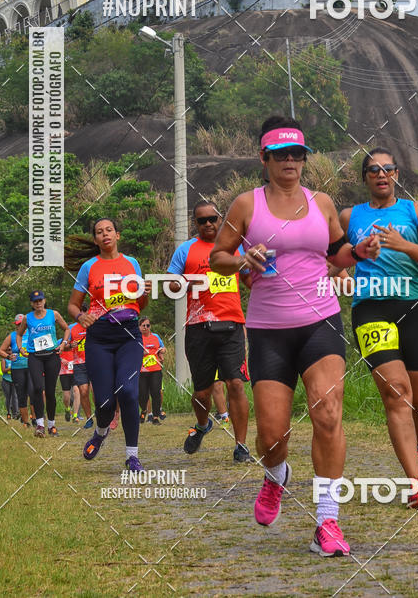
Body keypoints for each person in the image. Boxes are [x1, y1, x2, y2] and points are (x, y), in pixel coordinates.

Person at [211, 116, 380, 557]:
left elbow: (337, 252)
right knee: (271, 437)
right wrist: (242, 259)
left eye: (297, 155)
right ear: (264, 158)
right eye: (281, 155)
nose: (290, 162)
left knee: (328, 412)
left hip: (320, 320)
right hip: (269, 330)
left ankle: (327, 520)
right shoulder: (246, 205)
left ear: (305, 159)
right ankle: (276, 476)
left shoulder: (321, 202)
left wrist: (358, 252)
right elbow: (217, 257)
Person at [339, 148, 418, 509]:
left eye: (387, 169)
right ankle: (415, 484)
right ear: (365, 177)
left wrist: (405, 245)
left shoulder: (415, 210)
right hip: (370, 309)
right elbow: (331, 259)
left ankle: (413, 445)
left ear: (396, 174)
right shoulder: (350, 216)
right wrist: (346, 269)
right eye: (373, 170)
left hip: (414, 307)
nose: (381, 174)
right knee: (397, 392)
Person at [167, 201, 251, 462]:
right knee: (202, 392)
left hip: (232, 325)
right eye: (201, 220)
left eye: (212, 219)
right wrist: (184, 281)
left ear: (220, 219)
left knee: (235, 384)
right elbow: (170, 284)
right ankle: (203, 425)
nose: (208, 224)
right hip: (198, 327)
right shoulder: (185, 250)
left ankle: (241, 446)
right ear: (195, 223)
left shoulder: (236, 246)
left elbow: (249, 278)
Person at [66, 218, 149, 472]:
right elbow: (73, 305)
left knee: (128, 392)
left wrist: (142, 294)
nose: (105, 235)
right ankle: (101, 432)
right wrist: (81, 316)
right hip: (99, 338)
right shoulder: (89, 267)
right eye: (100, 232)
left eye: (109, 230)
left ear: (117, 235)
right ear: (95, 240)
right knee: (104, 403)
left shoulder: (132, 263)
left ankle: (132, 456)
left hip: (129, 335)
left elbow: (141, 303)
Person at [16, 291, 69, 437]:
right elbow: (19, 334)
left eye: (40, 300)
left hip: (52, 356)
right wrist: (20, 348)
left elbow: (66, 329)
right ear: (32, 303)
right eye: (35, 301)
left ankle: (51, 425)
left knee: (50, 391)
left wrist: (63, 344)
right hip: (35, 357)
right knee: (38, 388)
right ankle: (40, 425)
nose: (38, 303)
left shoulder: (54, 314)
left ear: (44, 301)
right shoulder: (27, 318)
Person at [0, 314, 32, 427]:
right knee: (21, 395)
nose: (20, 326)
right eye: (18, 324)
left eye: (22, 324)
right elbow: (0, 351)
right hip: (17, 369)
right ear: (15, 325)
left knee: (33, 392)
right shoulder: (12, 336)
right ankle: (26, 422)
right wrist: (8, 356)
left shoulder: (32, 333)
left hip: (31, 367)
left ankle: (36, 418)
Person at [65, 306, 94, 428]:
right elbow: (65, 346)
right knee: (83, 391)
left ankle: (102, 415)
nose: (82, 314)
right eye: (79, 312)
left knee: (96, 391)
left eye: (84, 311)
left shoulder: (93, 325)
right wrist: (71, 345)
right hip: (79, 364)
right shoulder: (71, 328)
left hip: (94, 362)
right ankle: (89, 418)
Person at [138, 317, 165, 424]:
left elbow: (163, 348)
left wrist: (162, 351)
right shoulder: (137, 338)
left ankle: (155, 417)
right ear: (139, 327)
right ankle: (144, 410)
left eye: (148, 325)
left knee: (156, 393)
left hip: (155, 369)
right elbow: (131, 353)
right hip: (142, 371)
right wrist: (140, 353)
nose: (146, 328)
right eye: (143, 326)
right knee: (142, 394)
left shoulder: (156, 337)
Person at [59, 338, 76, 423]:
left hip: (76, 371)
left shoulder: (75, 342)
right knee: (66, 396)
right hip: (64, 372)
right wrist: (61, 359)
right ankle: (67, 409)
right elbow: (54, 354)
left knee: (76, 392)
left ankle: (75, 415)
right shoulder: (60, 343)